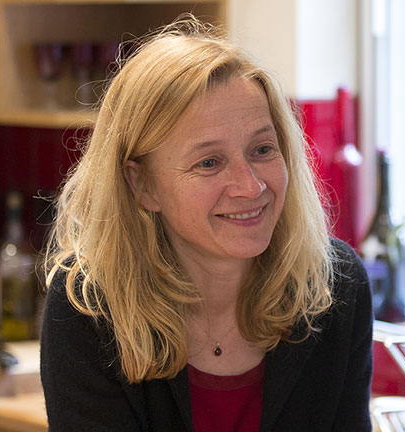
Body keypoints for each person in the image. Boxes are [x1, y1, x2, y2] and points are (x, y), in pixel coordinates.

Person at [40, 16, 373, 431]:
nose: (250, 187)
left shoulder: (334, 286)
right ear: (141, 184)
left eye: (262, 149)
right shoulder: (88, 307)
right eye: (209, 162)